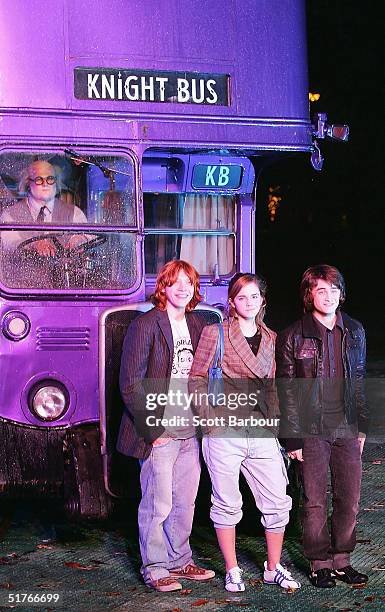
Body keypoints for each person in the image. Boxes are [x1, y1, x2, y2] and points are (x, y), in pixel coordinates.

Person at [189, 273, 301, 593]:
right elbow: (196, 378)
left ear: (262, 301)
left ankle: (273, 567)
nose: (248, 302)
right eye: (242, 297)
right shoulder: (217, 332)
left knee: (278, 502)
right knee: (226, 502)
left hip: (261, 430)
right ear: (232, 302)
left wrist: (276, 425)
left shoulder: (272, 338)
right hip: (224, 431)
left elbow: (273, 387)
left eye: (254, 297)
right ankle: (232, 568)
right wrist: (210, 420)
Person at [117, 260, 215, 593]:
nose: (182, 288)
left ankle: (180, 560)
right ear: (164, 287)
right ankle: (155, 567)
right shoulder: (146, 324)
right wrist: (151, 430)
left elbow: (207, 375)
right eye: (175, 282)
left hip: (191, 429)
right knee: (157, 502)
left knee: (185, 501)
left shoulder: (199, 323)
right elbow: (130, 383)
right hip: (159, 429)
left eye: (189, 282)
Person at [276, 264, 370, 588]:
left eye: (333, 289)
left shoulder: (355, 331)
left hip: (346, 427)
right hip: (311, 430)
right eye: (320, 289)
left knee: (350, 498)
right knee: (315, 499)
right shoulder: (292, 335)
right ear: (309, 295)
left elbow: (359, 381)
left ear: (341, 294)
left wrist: (362, 427)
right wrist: (292, 440)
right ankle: (319, 563)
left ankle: (342, 560)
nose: (327, 296)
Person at [0, 159, 87, 254]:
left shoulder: (74, 212)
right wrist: (33, 244)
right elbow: (9, 244)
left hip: (65, 269)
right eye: (39, 179)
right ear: (28, 183)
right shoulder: (10, 215)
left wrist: (80, 239)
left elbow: (90, 237)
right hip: (24, 269)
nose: (45, 184)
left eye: (50, 179)